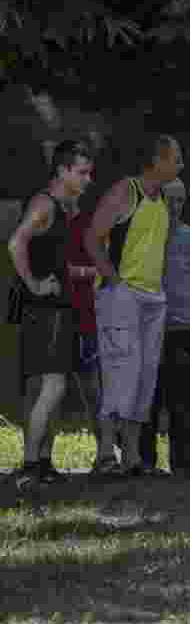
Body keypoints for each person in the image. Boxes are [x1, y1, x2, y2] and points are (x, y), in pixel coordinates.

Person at [86, 134, 182, 476]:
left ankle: (132, 457)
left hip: (153, 297)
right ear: (158, 160)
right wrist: (113, 281)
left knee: (144, 376)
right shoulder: (126, 191)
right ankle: (105, 456)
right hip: (122, 295)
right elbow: (92, 238)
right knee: (119, 371)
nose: (181, 165)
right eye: (176, 159)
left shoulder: (162, 199)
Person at [6, 139, 94, 489]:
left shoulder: (62, 207)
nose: (88, 179)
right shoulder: (45, 203)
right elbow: (16, 243)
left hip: (55, 309)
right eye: (83, 172)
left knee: (47, 388)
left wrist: (86, 274)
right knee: (54, 386)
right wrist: (35, 284)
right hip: (45, 310)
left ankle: (42, 462)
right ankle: (30, 464)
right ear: (62, 170)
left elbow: (54, 262)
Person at [138, 178, 190, 479]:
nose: (175, 207)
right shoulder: (141, 236)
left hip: (182, 331)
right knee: (148, 402)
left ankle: (182, 466)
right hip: (147, 331)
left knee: (183, 404)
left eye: (181, 201)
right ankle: (145, 463)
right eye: (170, 200)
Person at [65, 197, 106, 473]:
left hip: (85, 319)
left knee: (92, 390)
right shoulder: (47, 224)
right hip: (51, 316)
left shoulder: (90, 226)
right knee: (48, 390)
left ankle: (105, 453)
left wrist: (72, 272)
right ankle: (40, 459)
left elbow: (104, 269)